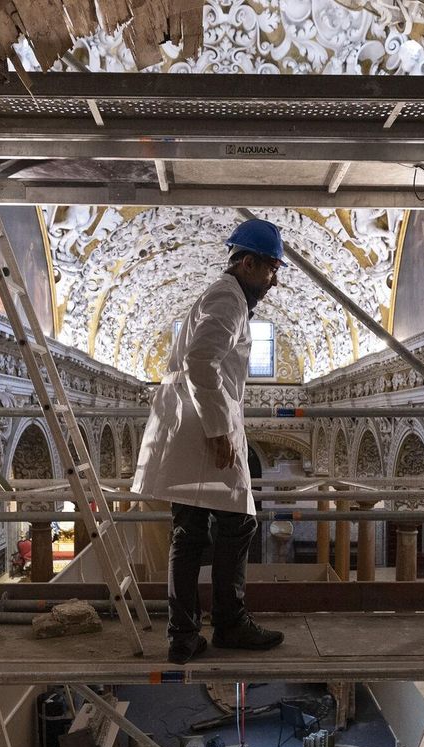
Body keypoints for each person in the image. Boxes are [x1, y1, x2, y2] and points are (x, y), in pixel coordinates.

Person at [132, 219, 289, 664]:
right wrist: (219, 431)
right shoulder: (228, 296)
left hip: (188, 422)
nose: (274, 281)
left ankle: (184, 635)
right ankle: (229, 623)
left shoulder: (224, 295)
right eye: (271, 269)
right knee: (237, 524)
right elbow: (203, 362)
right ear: (248, 262)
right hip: (202, 426)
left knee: (189, 529)